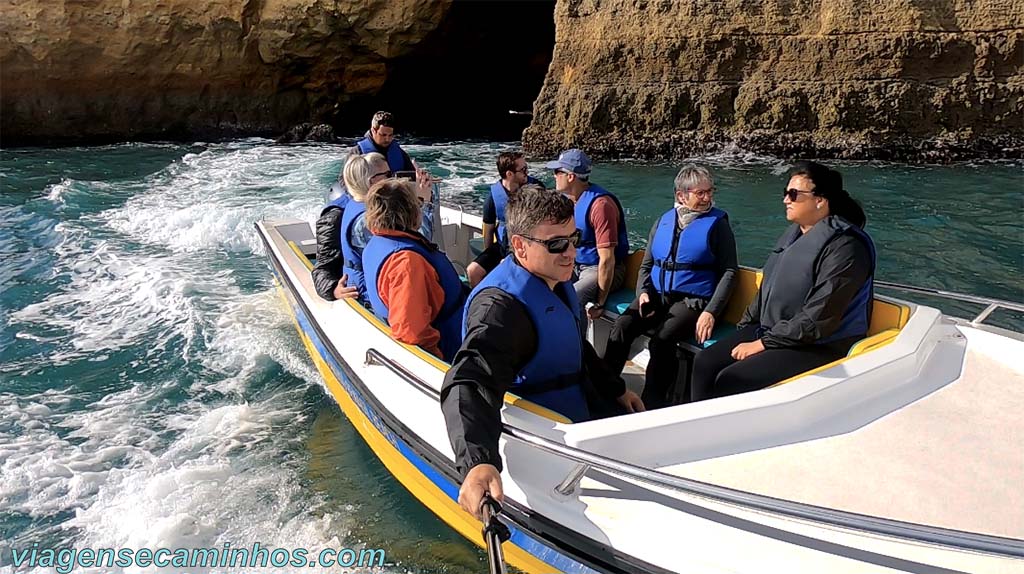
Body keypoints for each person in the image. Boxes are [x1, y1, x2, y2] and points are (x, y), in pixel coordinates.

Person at [440, 185, 644, 520]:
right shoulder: (500, 309)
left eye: (574, 238)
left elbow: (576, 347)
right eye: (556, 244)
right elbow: (468, 381)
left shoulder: (555, 279)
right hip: (550, 436)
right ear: (519, 245)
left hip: (586, 407)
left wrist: (617, 388)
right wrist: (478, 462)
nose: (570, 253)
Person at [690, 161, 875, 401]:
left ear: (820, 200)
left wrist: (763, 343)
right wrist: (747, 328)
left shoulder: (847, 247)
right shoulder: (795, 236)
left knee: (732, 379)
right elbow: (769, 288)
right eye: (786, 193)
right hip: (777, 331)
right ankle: (697, 431)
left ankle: (729, 436)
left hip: (819, 344)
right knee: (704, 362)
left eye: (794, 194)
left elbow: (819, 317)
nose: (785, 199)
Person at [602, 165, 738, 409]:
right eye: (701, 193)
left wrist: (711, 312)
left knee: (662, 340)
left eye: (710, 191)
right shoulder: (663, 221)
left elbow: (729, 272)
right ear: (681, 195)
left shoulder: (718, 224)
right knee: (622, 326)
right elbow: (647, 265)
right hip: (657, 294)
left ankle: (651, 403)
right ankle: (605, 387)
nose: (708, 198)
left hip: (692, 301)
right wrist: (642, 293)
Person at [362, 179, 467, 361]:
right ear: (411, 212)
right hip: (450, 348)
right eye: (417, 203)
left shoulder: (377, 243)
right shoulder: (407, 264)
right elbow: (411, 332)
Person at [340, 153, 440, 299]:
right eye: (387, 174)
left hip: (370, 287)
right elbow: (419, 245)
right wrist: (425, 203)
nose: (393, 179)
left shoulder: (355, 205)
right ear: (371, 181)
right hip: (370, 296)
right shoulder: (366, 220)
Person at [546, 149, 629, 319]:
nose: (554, 176)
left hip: (600, 269)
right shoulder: (569, 201)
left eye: (557, 172)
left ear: (571, 177)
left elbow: (607, 260)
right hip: (576, 263)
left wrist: (599, 303)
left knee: (571, 298)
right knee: (543, 288)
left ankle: (576, 343)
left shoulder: (601, 206)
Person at [465, 151, 542, 287]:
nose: (527, 172)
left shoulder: (537, 189)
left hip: (527, 247)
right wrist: (492, 257)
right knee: (473, 271)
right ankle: (478, 303)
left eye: (526, 168)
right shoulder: (493, 197)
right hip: (502, 246)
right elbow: (488, 229)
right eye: (523, 169)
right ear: (509, 174)